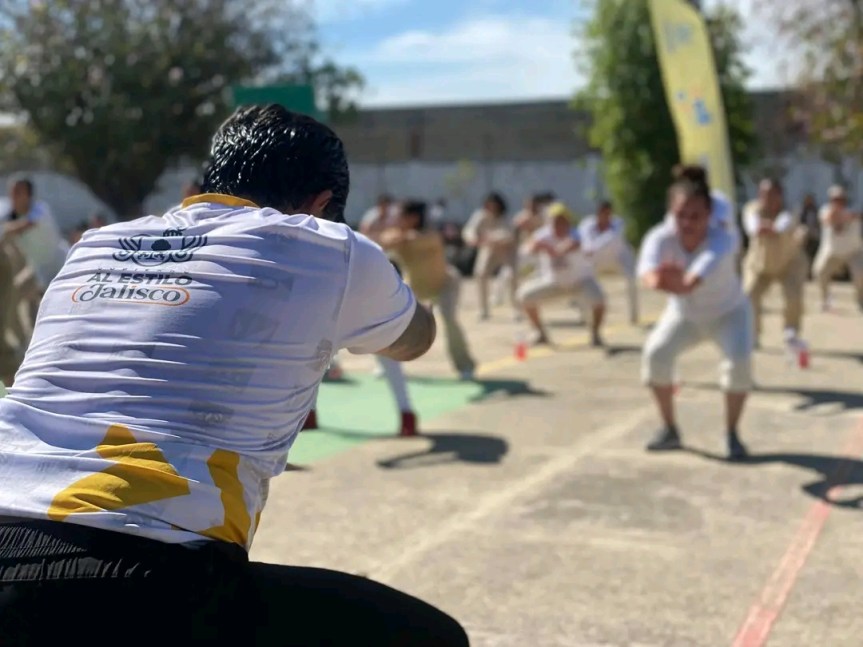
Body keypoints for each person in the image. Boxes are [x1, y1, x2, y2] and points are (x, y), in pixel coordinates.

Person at [0, 105, 468, 646]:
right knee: (431, 637)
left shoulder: (94, 245)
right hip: (145, 569)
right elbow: (414, 339)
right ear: (320, 205)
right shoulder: (331, 247)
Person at [639, 177, 753, 461]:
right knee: (656, 355)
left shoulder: (723, 239)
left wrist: (677, 282)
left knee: (739, 364)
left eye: (696, 216)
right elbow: (648, 273)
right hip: (685, 316)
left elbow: (694, 277)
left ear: (709, 216)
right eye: (681, 215)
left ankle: (732, 434)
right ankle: (669, 429)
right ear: (670, 214)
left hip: (729, 313)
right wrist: (658, 280)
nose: (688, 223)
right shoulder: (658, 238)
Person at [379, 200, 477, 380]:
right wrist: (395, 236)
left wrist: (399, 237)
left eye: (401, 216)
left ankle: (465, 366)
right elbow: (384, 242)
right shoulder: (398, 236)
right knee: (389, 320)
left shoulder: (430, 235)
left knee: (450, 321)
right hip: (415, 287)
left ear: (414, 218)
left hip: (445, 285)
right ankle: (388, 365)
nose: (397, 220)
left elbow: (413, 240)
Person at [517, 201, 606, 347]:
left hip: (580, 281)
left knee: (599, 299)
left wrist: (556, 249)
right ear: (549, 221)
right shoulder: (543, 234)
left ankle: (595, 334)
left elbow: (573, 243)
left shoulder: (576, 233)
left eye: (562, 220)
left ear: (568, 221)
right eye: (555, 220)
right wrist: (538, 245)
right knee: (524, 296)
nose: (559, 224)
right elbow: (529, 249)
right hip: (554, 283)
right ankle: (540, 333)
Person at [741, 178, 808, 350]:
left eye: (771, 194)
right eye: (763, 194)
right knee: (749, 295)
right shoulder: (751, 208)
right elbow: (752, 226)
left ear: (780, 195)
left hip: (788, 264)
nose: (767, 198)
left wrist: (770, 228)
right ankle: (752, 334)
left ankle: (791, 331)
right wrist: (761, 227)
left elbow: (782, 226)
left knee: (793, 297)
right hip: (759, 265)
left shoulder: (790, 211)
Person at [0, 176, 70, 292]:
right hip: (38, 269)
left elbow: (24, 225)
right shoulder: (9, 216)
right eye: (12, 192)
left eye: (18, 192)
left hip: (63, 266)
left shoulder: (40, 210)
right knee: (14, 291)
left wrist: (4, 229)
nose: (13, 197)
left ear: (29, 195)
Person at [578, 200, 639, 325]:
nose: (606, 217)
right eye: (603, 213)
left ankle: (634, 315)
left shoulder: (618, 223)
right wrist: (589, 249)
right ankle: (584, 315)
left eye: (608, 214)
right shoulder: (587, 224)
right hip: (598, 259)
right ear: (598, 213)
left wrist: (592, 248)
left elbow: (612, 237)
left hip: (620, 258)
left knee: (631, 279)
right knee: (583, 277)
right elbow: (584, 240)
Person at [462, 192, 517, 320]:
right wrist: (472, 238)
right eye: (489, 205)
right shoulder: (480, 215)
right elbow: (469, 230)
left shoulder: (506, 217)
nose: (491, 208)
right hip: (488, 249)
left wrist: (492, 237)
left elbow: (509, 235)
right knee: (480, 274)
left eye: (494, 205)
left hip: (506, 250)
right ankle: (483, 309)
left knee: (512, 276)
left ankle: (516, 309)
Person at [812, 185, 863, 311]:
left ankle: (860, 300)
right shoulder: (825, 210)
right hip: (831, 252)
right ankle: (825, 299)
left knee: (860, 275)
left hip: (853, 251)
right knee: (819, 272)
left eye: (840, 199)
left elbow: (857, 215)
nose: (837, 202)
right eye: (834, 199)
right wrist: (841, 216)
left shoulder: (852, 209)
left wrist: (847, 216)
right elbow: (828, 219)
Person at [798, 192, 821, 276]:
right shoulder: (802, 210)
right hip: (805, 235)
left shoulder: (816, 210)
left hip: (814, 235)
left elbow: (818, 224)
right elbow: (800, 223)